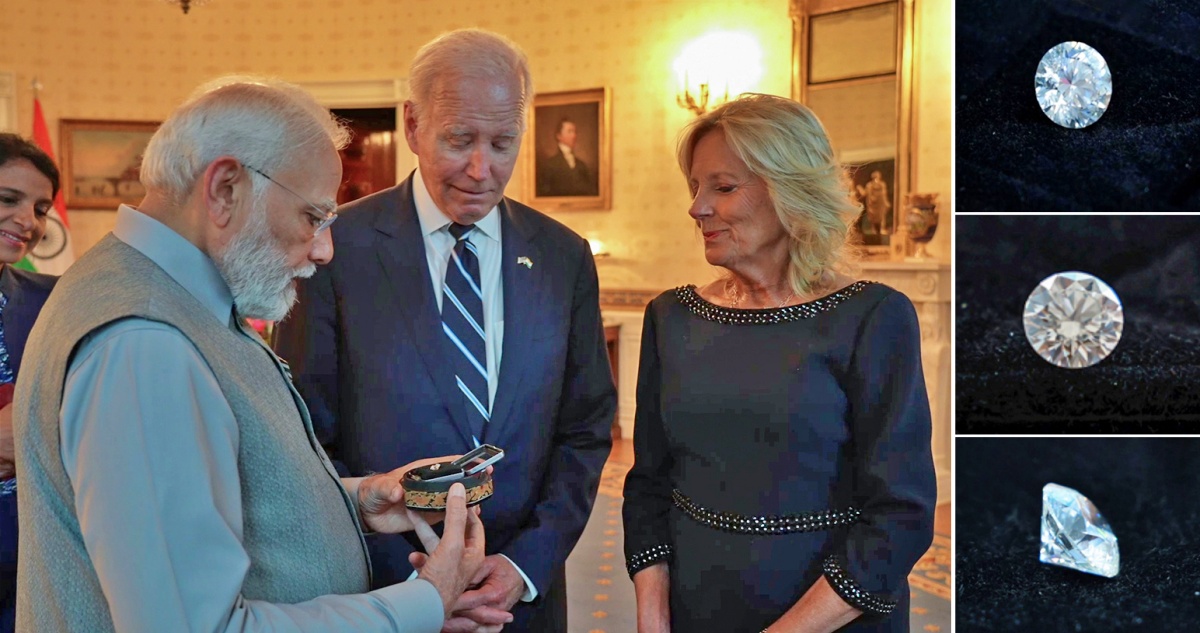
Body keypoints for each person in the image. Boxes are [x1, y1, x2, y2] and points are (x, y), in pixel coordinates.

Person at [12, 77, 491, 633]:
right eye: (313, 217)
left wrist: (356, 501)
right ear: (226, 189)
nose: (324, 249)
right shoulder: (143, 345)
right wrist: (426, 601)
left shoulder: (173, 293)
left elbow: (204, 493)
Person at [275, 29, 616, 632]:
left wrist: (523, 564)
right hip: (379, 594)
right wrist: (417, 587)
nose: (482, 169)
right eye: (459, 139)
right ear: (412, 125)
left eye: (503, 142)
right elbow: (303, 440)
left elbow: (584, 431)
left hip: (521, 601)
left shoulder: (563, 257)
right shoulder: (335, 249)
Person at [622, 94, 935, 633]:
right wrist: (652, 620)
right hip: (700, 612)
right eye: (696, 187)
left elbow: (900, 516)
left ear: (791, 192)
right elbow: (649, 486)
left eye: (722, 187)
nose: (696, 207)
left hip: (834, 619)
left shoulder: (873, 317)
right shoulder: (670, 318)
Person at [0, 134, 60, 633]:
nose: (29, 222)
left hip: (34, 561)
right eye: (8, 200)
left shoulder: (55, 300)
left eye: (41, 208)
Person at [535, 118, 597, 197]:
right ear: (559, 136)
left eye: (575, 132)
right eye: (570, 131)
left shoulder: (581, 165)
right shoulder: (549, 165)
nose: (574, 135)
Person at [856, 170, 891, 235]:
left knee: (881, 217)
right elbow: (864, 193)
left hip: (880, 203)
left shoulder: (882, 184)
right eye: (875, 177)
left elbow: (884, 194)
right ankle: (874, 230)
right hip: (872, 204)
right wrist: (860, 188)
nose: (876, 179)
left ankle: (881, 229)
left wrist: (886, 202)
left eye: (877, 177)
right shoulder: (869, 185)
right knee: (873, 218)